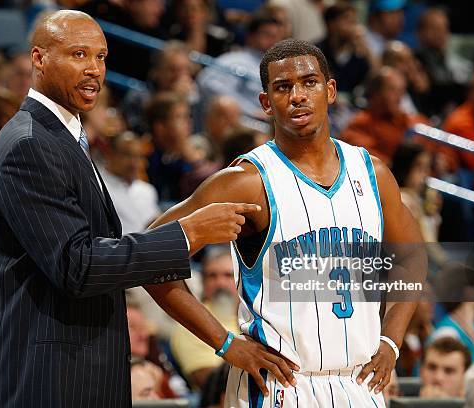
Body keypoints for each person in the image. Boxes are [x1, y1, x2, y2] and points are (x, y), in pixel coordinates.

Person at [0, 11, 296, 408]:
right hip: (41, 379)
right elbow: (78, 266)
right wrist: (188, 233)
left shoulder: (59, 137)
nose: (94, 69)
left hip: (73, 371)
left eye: (101, 57)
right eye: (78, 55)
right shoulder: (30, 145)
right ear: (39, 59)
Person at [150, 38, 424, 406]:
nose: (297, 96)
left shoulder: (372, 173)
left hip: (360, 384)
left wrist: (391, 339)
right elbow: (149, 254)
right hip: (280, 387)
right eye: (283, 87)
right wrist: (225, 342)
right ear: (265, 103)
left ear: (330, 91)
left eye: (309, 83)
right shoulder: (247, 180)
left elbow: (413, 254)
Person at [171, 246, 240, 389]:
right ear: (203, 282)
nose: (220, 283)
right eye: (212, 276)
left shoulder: (258, 314)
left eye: (228, 275)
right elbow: (207, 380)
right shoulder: (191, 321)